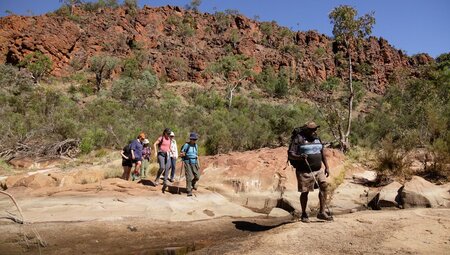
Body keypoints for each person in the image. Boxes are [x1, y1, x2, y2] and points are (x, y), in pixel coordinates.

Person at [288, 121, 332, 223]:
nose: (314, 131)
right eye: (312, 129)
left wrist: (327, 167)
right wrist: (299, 157)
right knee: (305, 192)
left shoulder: (317, 138)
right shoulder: (298, 138)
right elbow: (291, 154)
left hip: (318, 170)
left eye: (315, 129)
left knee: (324, 186)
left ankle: (322, 212)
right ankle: (304, 214)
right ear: (306, 130)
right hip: (304, 171)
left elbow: (322, 153)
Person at [180, 132, 200, 196]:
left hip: (195, 162)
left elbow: (196, 155)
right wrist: (183, 154)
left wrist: (198, 163)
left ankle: (193, 184)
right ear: (190, 139)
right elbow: (182, 152)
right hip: (187, 162)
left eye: (195, 139)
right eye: (193, 139)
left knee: (197, 176)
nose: (194, 141)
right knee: (189, 176)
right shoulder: (186, 145)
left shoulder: (196, 145)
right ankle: (189, 190)